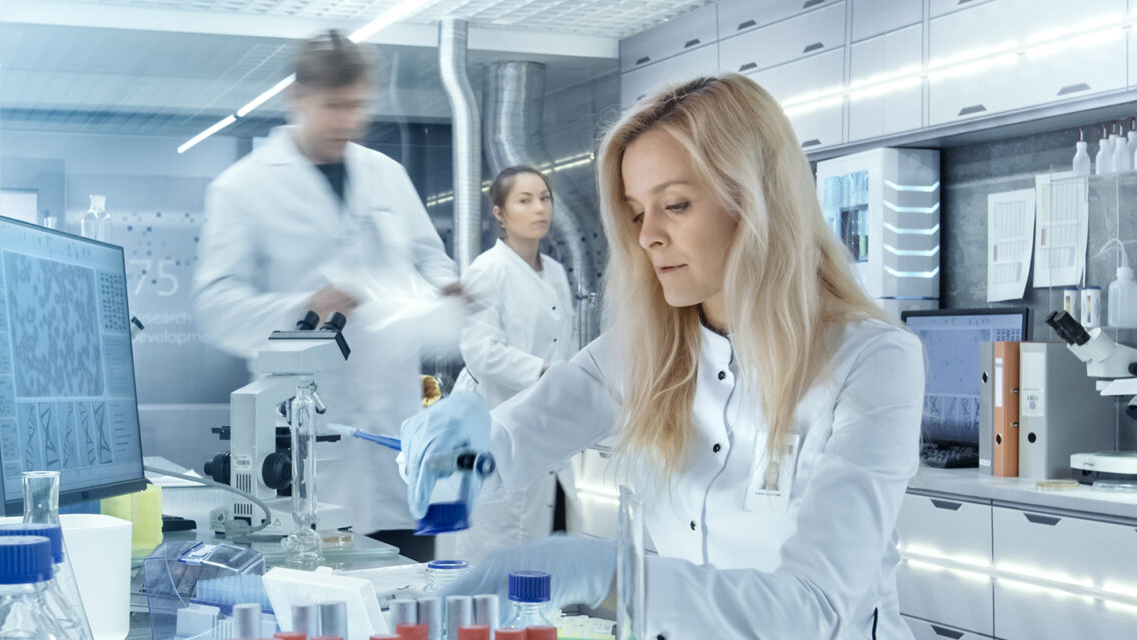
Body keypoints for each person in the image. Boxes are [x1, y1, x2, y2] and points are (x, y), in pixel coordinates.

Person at [403, 73, 924, 639]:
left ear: (756, 201)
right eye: (635, 212)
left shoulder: (871, 360)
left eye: (674, 204)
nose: (648, 236)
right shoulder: (647, 348)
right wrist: (459, 448)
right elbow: (521, 431)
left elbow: (814, 609)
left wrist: (607, 576)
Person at [193, 30, 459, 560]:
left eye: (357, 105)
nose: (348, 121)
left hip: (393, 454)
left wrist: (445, 290)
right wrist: (302, 309)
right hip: (303, 460)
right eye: (333, 106)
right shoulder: (243, 188)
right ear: (298, 100)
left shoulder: (386, 175)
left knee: (405, 609)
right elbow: (214, 306)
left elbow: (432, 262)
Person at [438, 166, 577, 563]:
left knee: (532, 544)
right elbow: (481, 351)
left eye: (545, 198)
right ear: (499, 213)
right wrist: (544, 372)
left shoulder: (555, 273)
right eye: (525, 200)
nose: (539, 209)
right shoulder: (487, 271)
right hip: (494, 422)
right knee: (492, 540)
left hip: (540, 424)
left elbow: (564, 342)